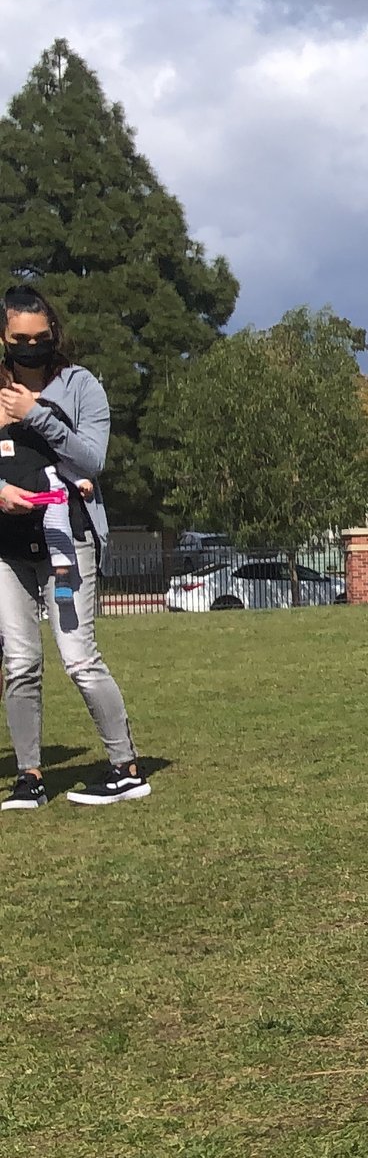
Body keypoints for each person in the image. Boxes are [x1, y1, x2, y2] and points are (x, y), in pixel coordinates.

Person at [0, 285, 145, 809]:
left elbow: (91, 461)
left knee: (79, 659)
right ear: (5, 337)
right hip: (8, 546)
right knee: (19, 663)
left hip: (69, 538)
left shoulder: (81, 386)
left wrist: (34, 412)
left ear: (54, 333)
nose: (31, 347)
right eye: (20, 339)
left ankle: (125, 767)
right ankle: (30, 777)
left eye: (41, 338)